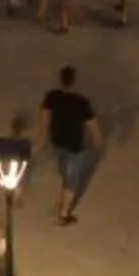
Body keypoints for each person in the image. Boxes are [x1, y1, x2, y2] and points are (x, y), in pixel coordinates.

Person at [41, 65, 104, 225]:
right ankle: (63, 214)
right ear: (74, 81)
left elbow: (45, 120)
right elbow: (93, 125)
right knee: (72, 179)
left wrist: (43, 139)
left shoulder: (52, 96)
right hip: (75, 146)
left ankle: (62, 199)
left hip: (57, 141)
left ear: (60, 80)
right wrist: (98, 141)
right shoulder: (82, 103)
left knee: (64, 170)